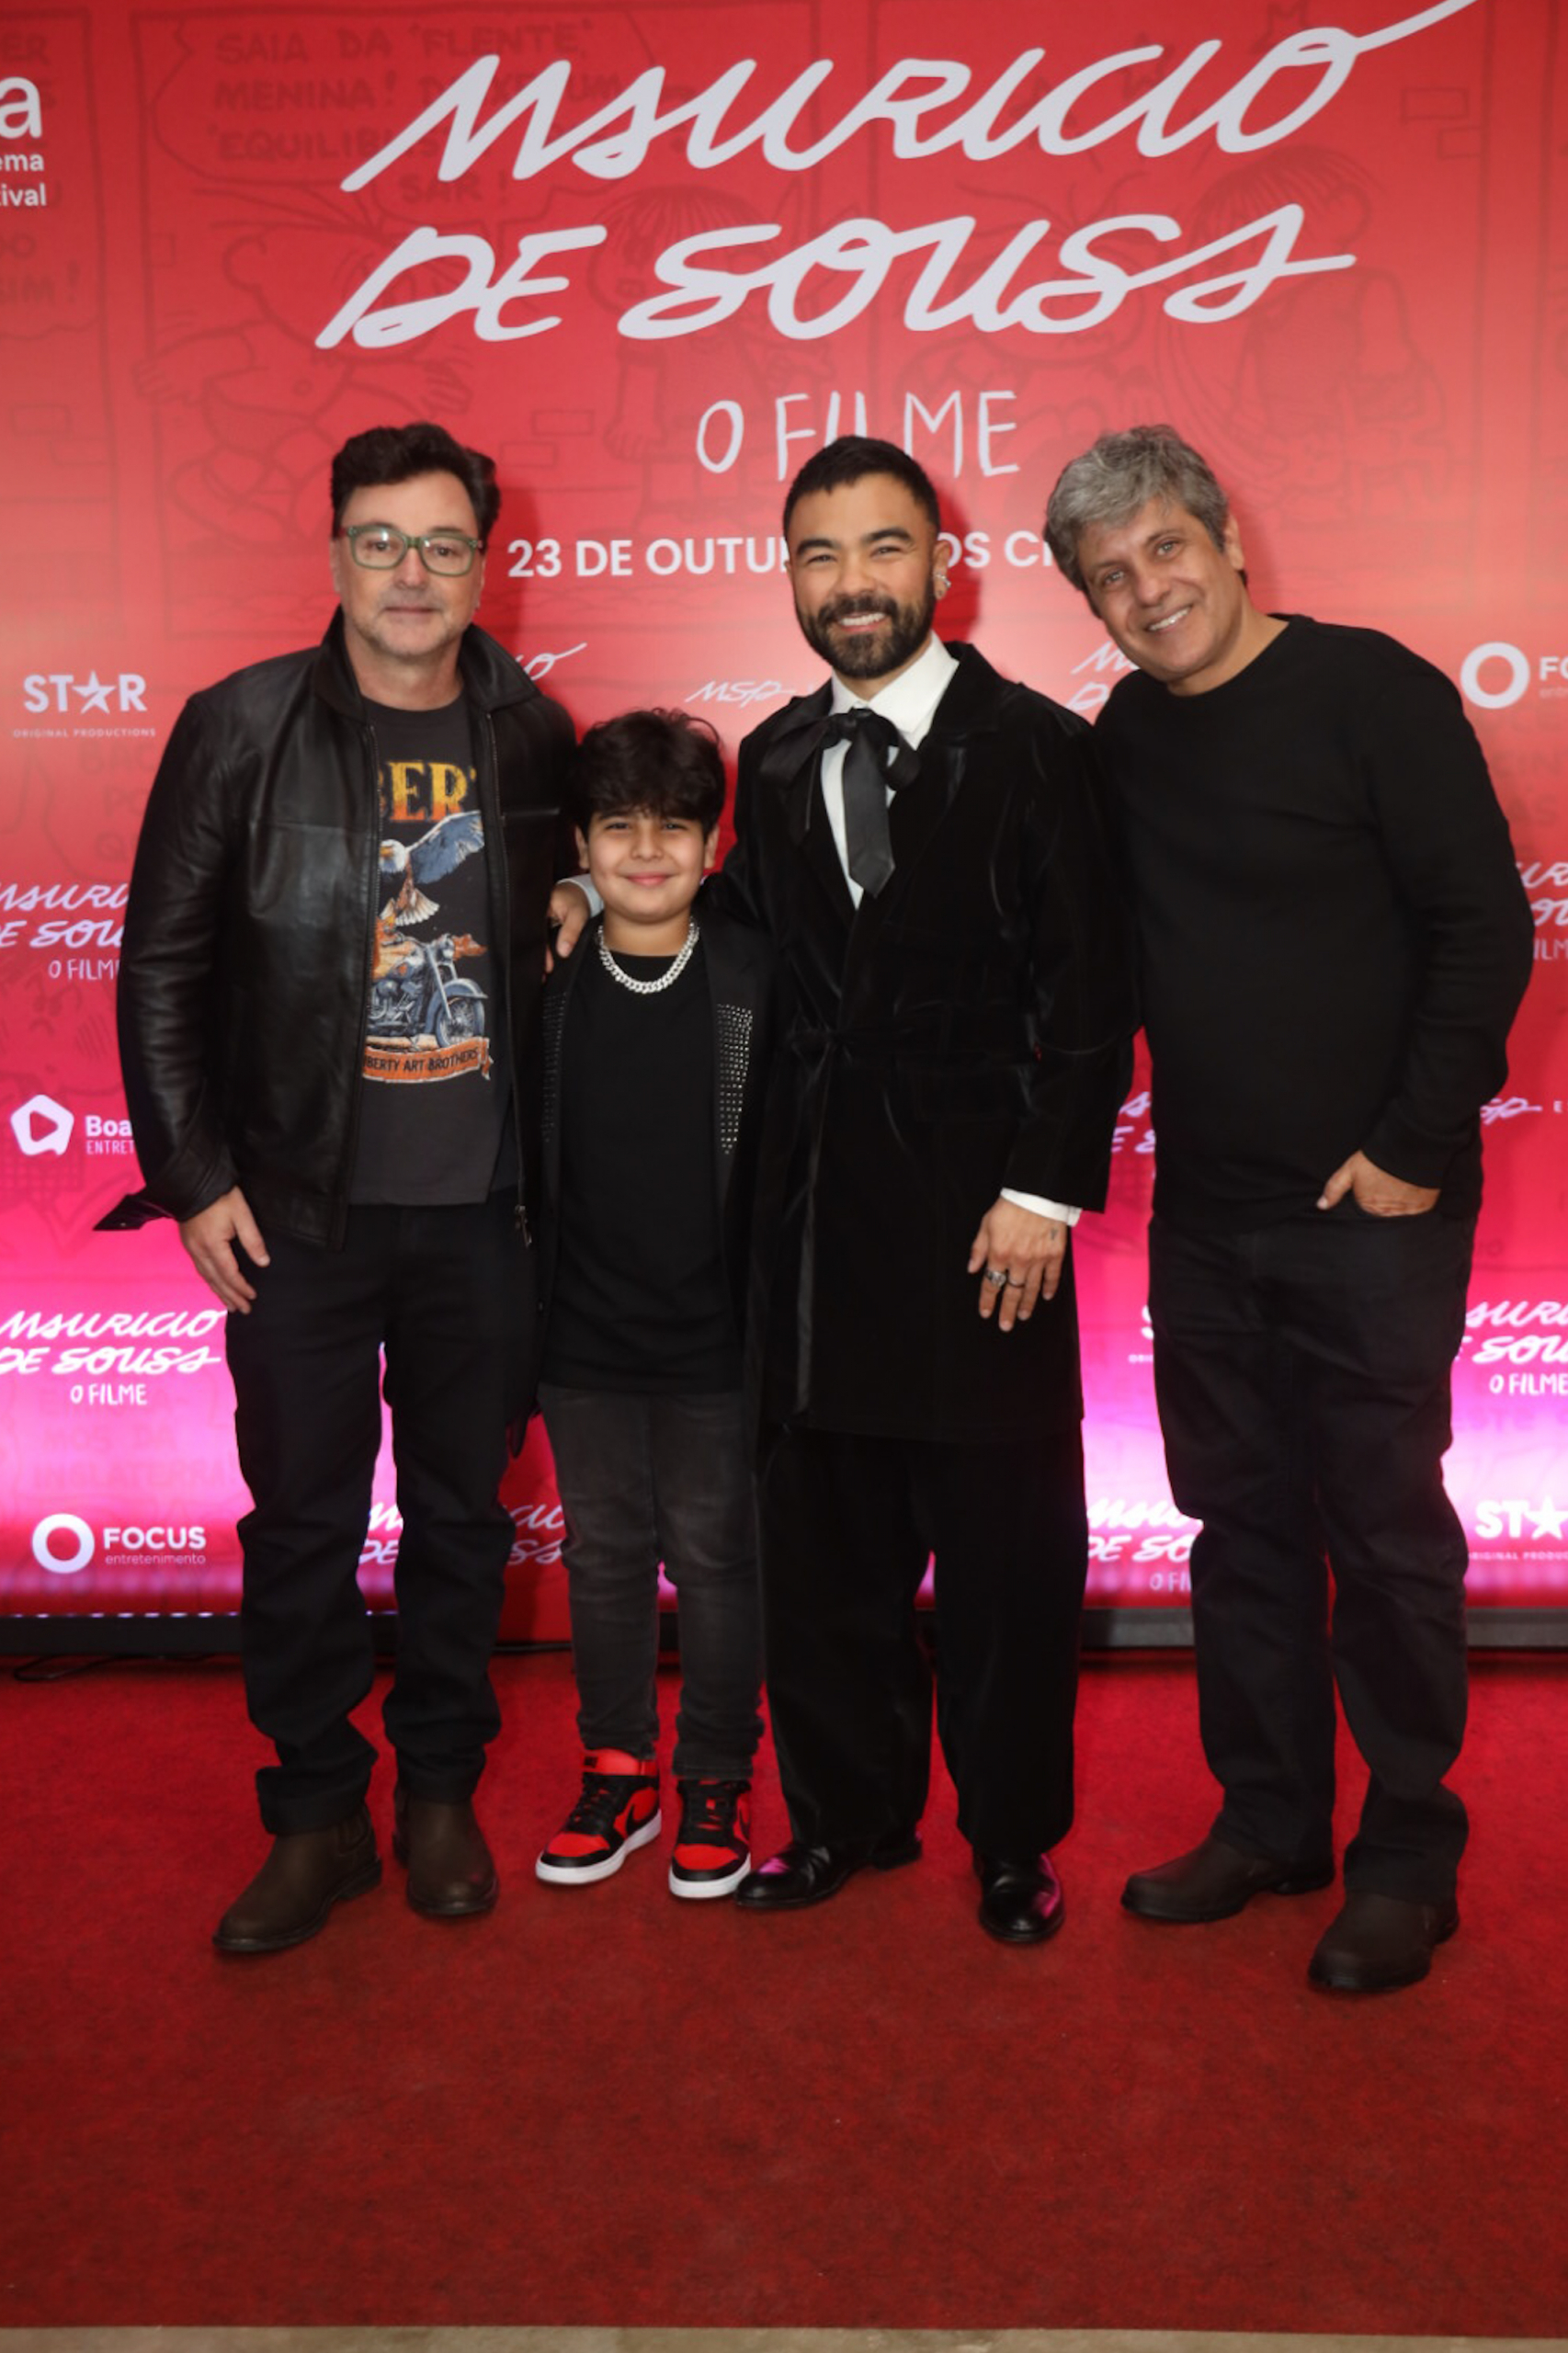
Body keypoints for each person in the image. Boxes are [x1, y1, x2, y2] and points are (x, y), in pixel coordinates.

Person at [1044, 423, 1534, 1992]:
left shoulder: (1372, 693)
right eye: (1110, 577)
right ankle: (1269, 1820)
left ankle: (1404, 1857)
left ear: (1227, 540)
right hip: (1205, 1216)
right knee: (1237, 1530)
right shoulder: (1123, 737)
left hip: (1374, 1210)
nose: (1147, 591)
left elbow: (1482, 932)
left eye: (1164, 549)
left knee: (1383, 1539)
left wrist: (1406, 1147)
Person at [107, 420, 576, 1952]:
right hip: (294, 1216)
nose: (410, 573)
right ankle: (314, 1814)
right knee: (302, 1526)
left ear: (482, 568)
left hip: (485, 1216)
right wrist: (194, 1177)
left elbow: (581, 900)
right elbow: (161, 968)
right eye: (381, 541)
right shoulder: (239, 728)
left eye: (442, 545)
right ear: (335, 555)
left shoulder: (533, 731)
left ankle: (438, 1791)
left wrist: (581, 888)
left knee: (460, 1520)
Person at [697, 436, 1132, 1943]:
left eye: (882, 548)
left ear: (942, 564)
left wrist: (1043, 1195)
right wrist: (585, 893)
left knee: (1007, 1568)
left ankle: (1010, 1843)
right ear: (790, 580)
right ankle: (844, 1818)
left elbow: (1093, 1002)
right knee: (824, 1562)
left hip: (982, 1231)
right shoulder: (768, 759)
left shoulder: (1040, 749)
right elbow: (742, 947)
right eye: (818, 556)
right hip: (813, 1234)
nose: (852, 583)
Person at [531, 710, 773, 1899]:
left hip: (717, 1340)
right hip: (579, 1333)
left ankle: (717, 1777)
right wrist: (566, 897)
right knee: (606, 1559)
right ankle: (618, 1771)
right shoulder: (546, 976)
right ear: (581, 843)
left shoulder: (753, 970)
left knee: (720, 1562)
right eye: (616, 828)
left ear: (711, 842)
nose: (644, 851)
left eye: (672, 828)